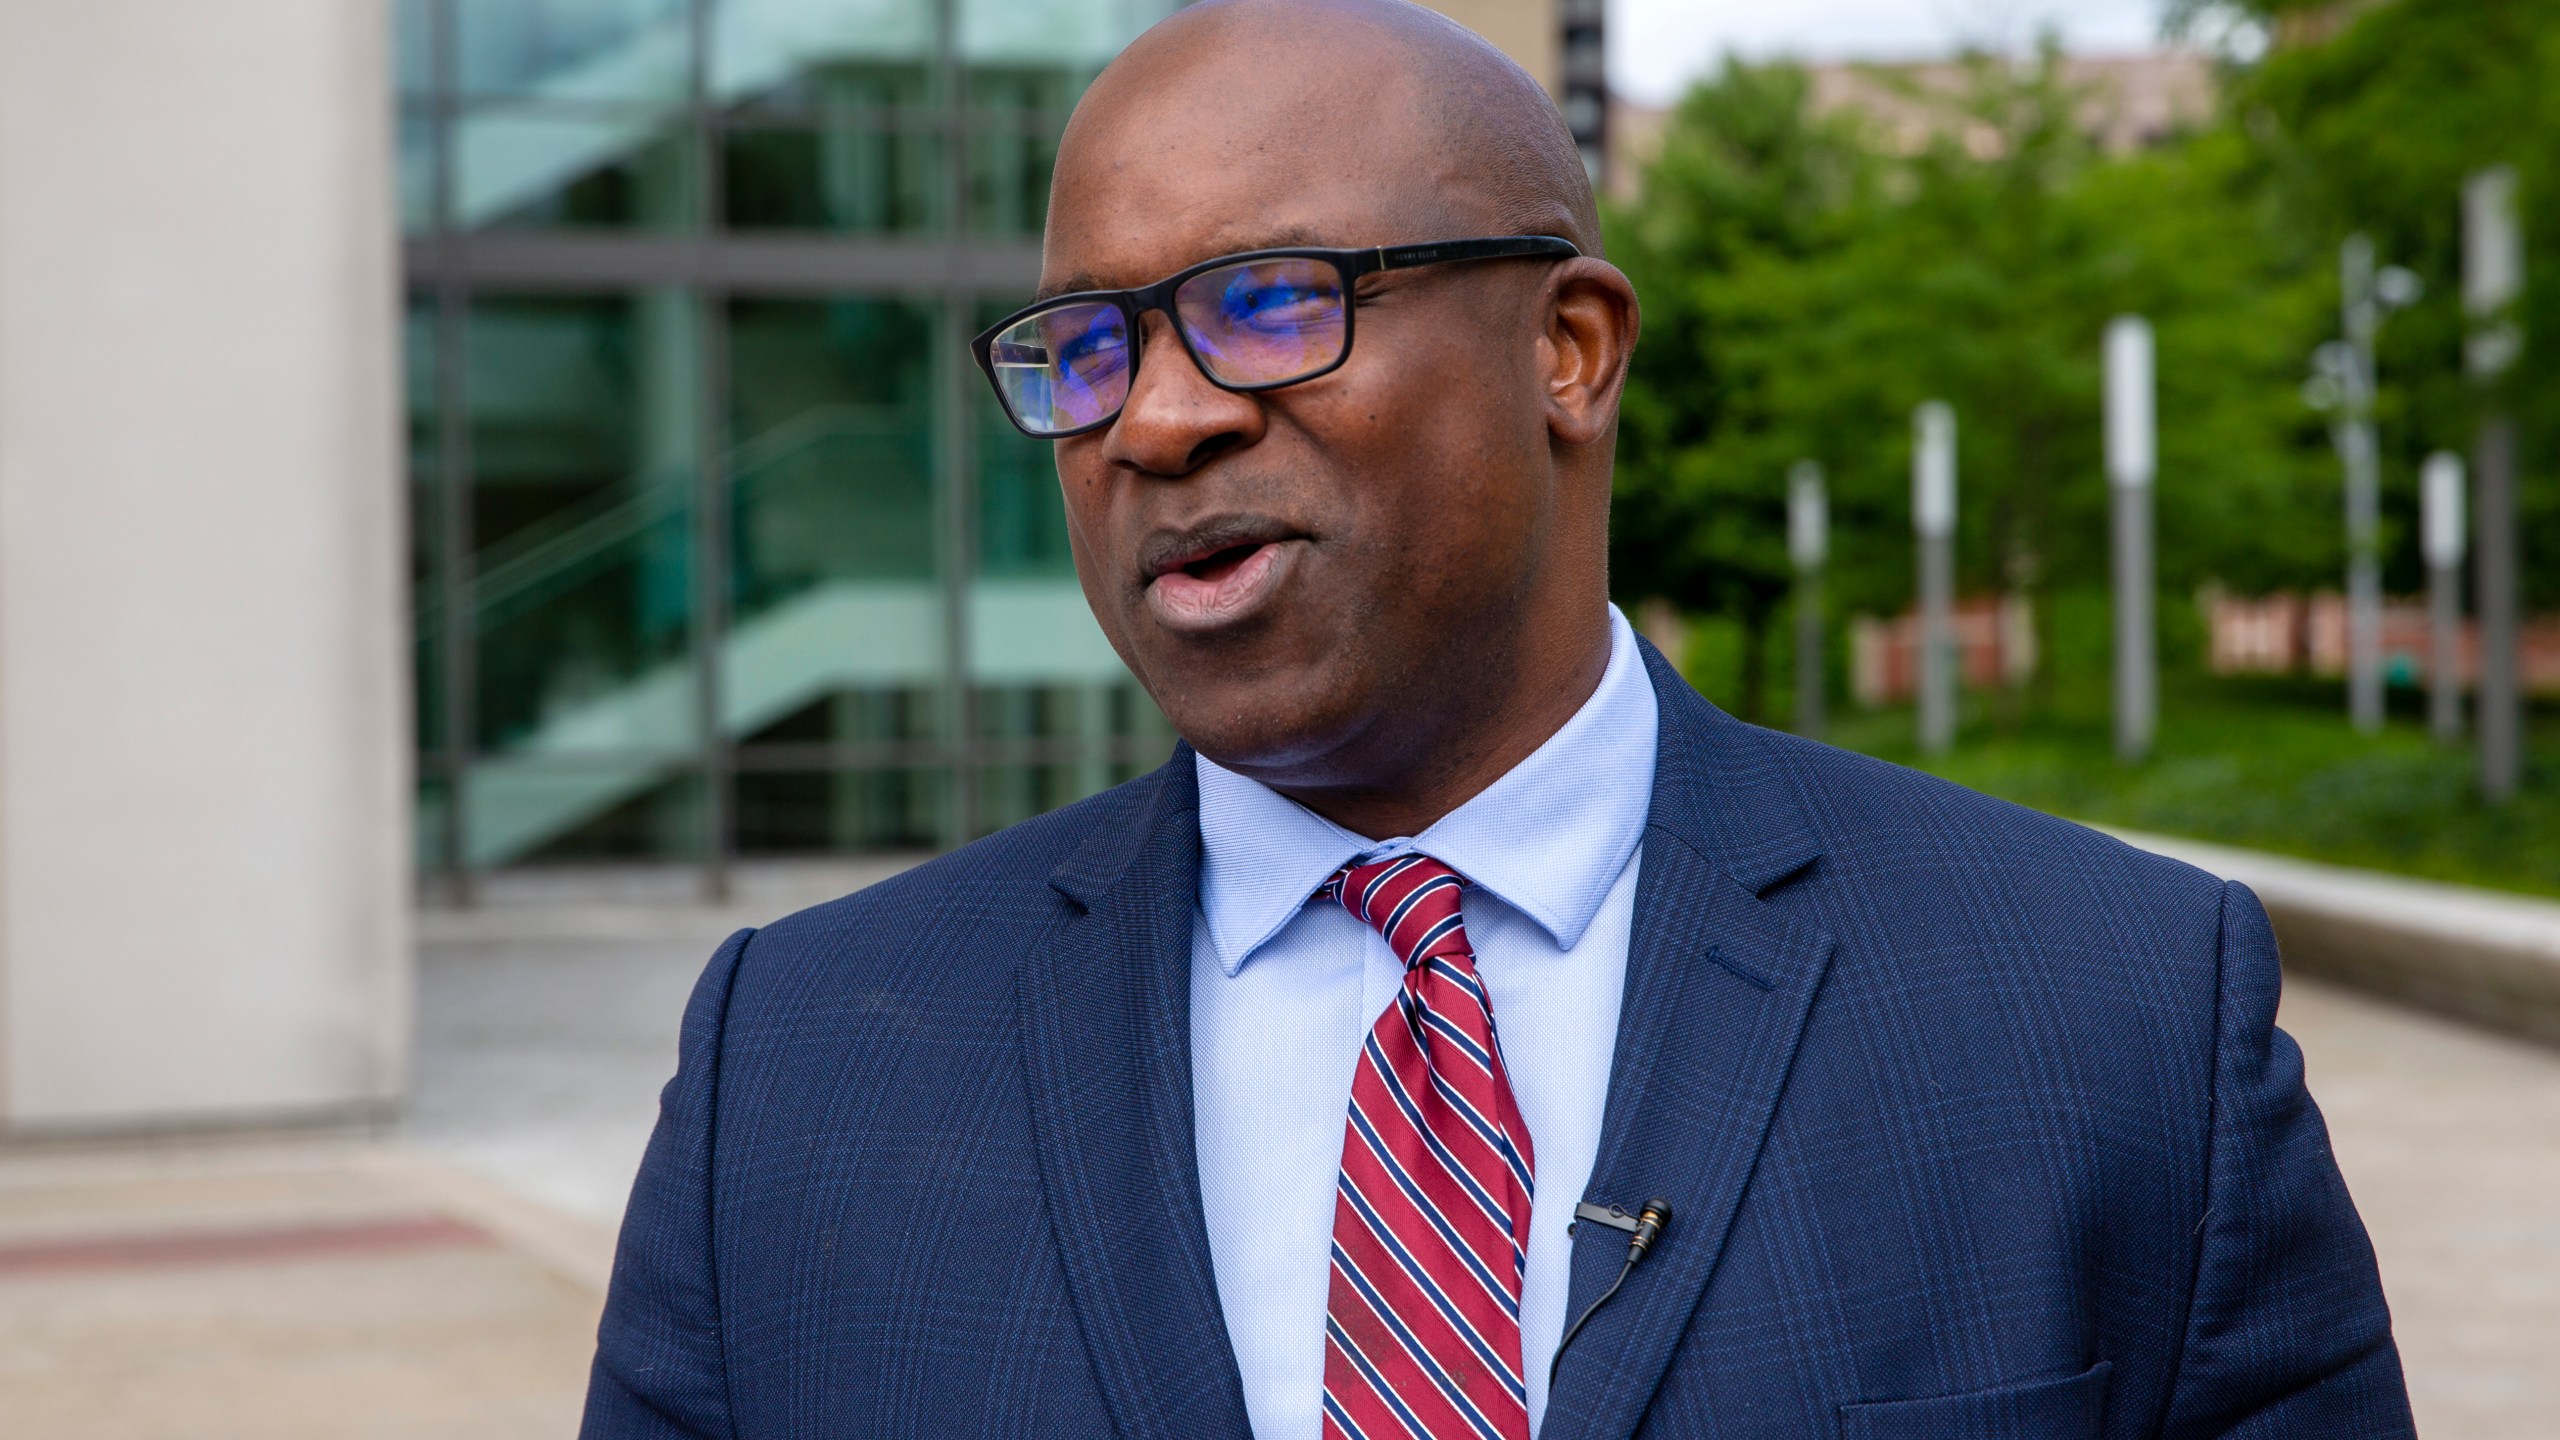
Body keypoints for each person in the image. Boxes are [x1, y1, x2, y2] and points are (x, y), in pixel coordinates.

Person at [581, 1, 2414, 1436]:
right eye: (1092, 347)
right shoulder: (798, 1073)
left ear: (1572, 351)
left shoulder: (2114, 1018)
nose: (1155, 422)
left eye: (1267, 303)